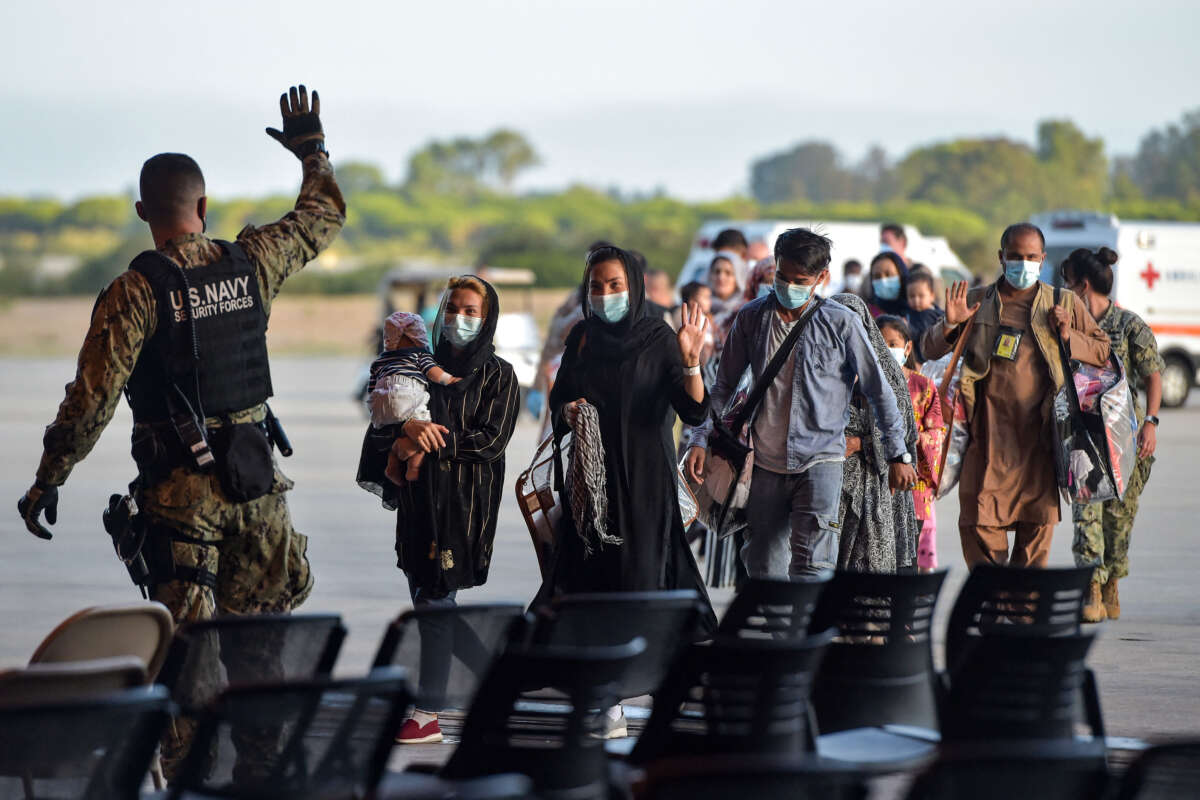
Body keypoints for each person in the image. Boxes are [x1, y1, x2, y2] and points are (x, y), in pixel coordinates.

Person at [16, 85, 344, 776]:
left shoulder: (136, 291)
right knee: (264, 666)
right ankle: (265, 783)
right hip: (260, 497)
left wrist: (50, 477)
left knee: (190, 678)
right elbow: (321, 215)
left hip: (182, 506)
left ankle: (193, 787)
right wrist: (311, 150)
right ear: (205, 206)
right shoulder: (251, 261)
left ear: (144, 212)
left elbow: (92, 399)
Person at [687, 228, 917, 579]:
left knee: (813, 567)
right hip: (763, 466)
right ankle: (784, 634)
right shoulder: (751, 319)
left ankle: (801, 633)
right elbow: (723, 389)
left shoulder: (842, 323)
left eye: (800, 280)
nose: (788, 287)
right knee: (764, 566)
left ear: (822, 277)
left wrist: (898, 453)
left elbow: (879, 390)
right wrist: (700, 439)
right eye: (782, 276)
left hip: (821, 463)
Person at [366, 275, 520, 744]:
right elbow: (384, 419)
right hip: (418, 501)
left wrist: (430, 438)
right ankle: (498, 681)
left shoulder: (500, 375)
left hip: (464, 506)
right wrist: (403, 433)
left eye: (471, 310)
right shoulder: (417, 367)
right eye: (452, 308)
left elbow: (491, 441)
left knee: (436, 599)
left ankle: (428, 711)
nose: (459, 318)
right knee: (431, 598)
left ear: (487, 317)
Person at [533, 245, 716, 626]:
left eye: (614, 284)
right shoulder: (582, 337)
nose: (604, 295)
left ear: (633, 286)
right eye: (596, 286)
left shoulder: (658, 337)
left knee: (641, 578)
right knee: (587, 581)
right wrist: (567, 411)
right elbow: (559, 401)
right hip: (591, 488)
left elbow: (694, 410)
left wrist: (691, 362)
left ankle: (643, 660)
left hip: (644, 482)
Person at [921, 223, 1110, 568]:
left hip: (1038, 445)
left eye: (1030, 257)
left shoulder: (1062, 301)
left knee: (1035, 536)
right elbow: (928, 349)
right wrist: (949, 326)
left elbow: (1102, 350)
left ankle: (1021, 616)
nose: (1022, 264)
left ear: (1042, 259)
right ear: (1001, 257)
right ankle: (993, 610)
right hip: (987, 441)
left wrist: (1068, 336)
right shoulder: (977, 301)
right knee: (978, 528)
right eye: (1015, 256)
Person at [1062, 247, 1163, 622]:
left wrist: (1151, 422)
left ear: (1083, 286)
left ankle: (1111, 580)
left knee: (1118, 520)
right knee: (1085, 513)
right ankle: (1090, 584)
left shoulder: (1129, 325)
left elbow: (1153, 375)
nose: (1064, 291)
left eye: (1069, 284)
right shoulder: (1066, 327)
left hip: (1126, 439)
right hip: (1084, 438)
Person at [830, 300, 921, 572]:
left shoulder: (889, 376)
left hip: (879, 486)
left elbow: (902, 433)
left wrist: (859, 443)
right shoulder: (824, 368)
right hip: (831, 485)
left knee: (870, 567)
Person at [878, 315, 945, 571]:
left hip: (913, 483)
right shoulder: (862, 385)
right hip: (877, 482)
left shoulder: (924, 386)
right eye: (879, 343)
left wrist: (912, 441)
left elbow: (936, 433)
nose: (886, 350)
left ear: (907, 348)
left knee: (909, 557)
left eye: (892, 343)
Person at [364, 311, 459, 483]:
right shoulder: (418, 354)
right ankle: (413, 467)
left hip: (380, 401)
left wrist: (374, 406)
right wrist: (451, 379)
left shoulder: (381, 360)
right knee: (424, 428)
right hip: (406, 393)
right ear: (418, 336)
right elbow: (434, 373)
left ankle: (392, 466)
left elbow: (372, 385)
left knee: (394, 432)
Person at [904, 270, 944, 363]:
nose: (916, 300)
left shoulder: (926, 315)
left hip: (926, 361)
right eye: (912, 296)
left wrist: (905, 327)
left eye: (921, 296)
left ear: (932, 296)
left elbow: (920, 332)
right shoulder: (916, 312)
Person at [863, 251, 910, 319]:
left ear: (901, 276)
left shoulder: (919, 307)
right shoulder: (867, 316)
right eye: (877, 276)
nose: (883, 280)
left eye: (889, 274)